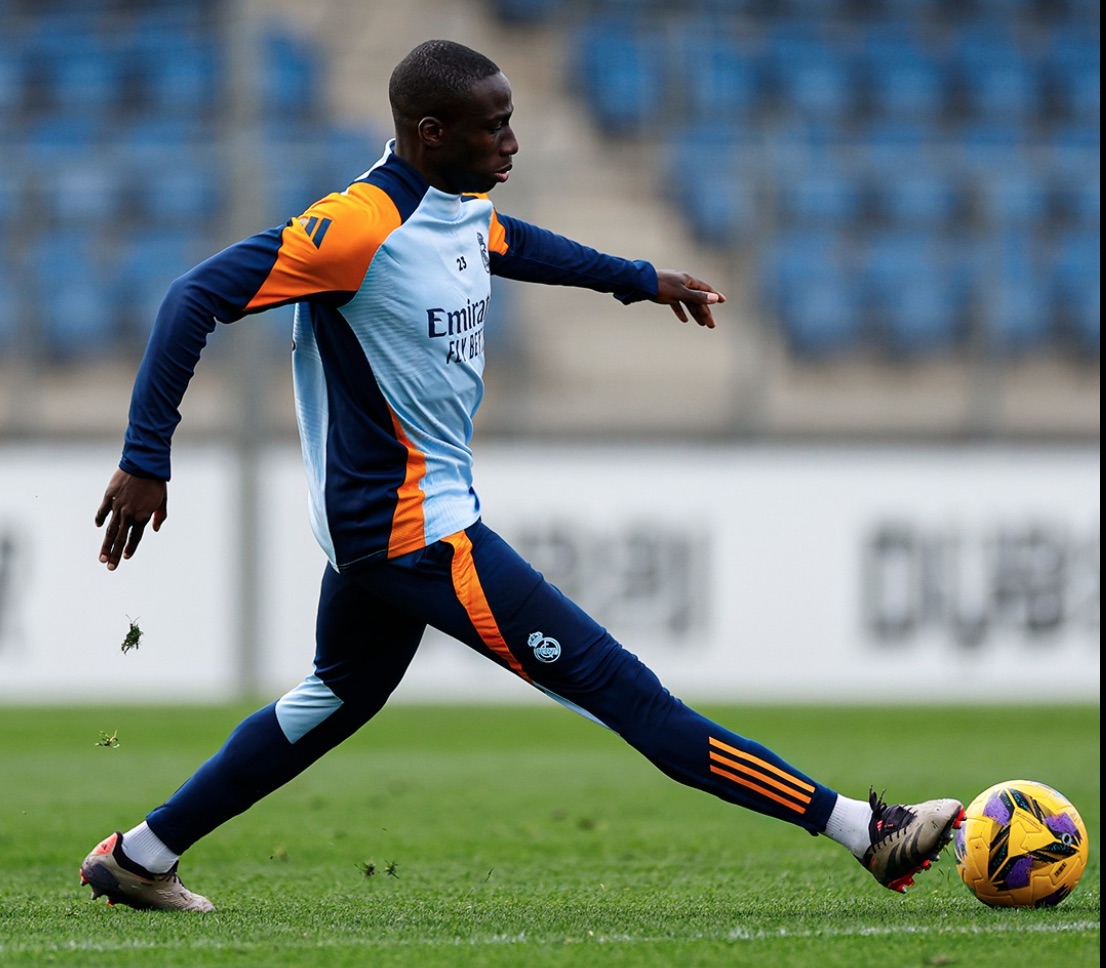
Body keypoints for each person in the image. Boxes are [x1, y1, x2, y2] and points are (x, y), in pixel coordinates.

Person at [80, 40, 963, 913]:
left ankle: (142, 853)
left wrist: (639, 280)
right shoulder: (356, 228)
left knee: (334, 698)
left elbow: (513, 244)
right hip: (416, 534)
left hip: (386, 534)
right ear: (430, 132)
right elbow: (192, 296)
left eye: (512, 123)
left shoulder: (458, 201)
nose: (511, 143)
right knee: (630, 695)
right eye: (493, 128)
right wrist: (145, 457)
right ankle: (865, 829)